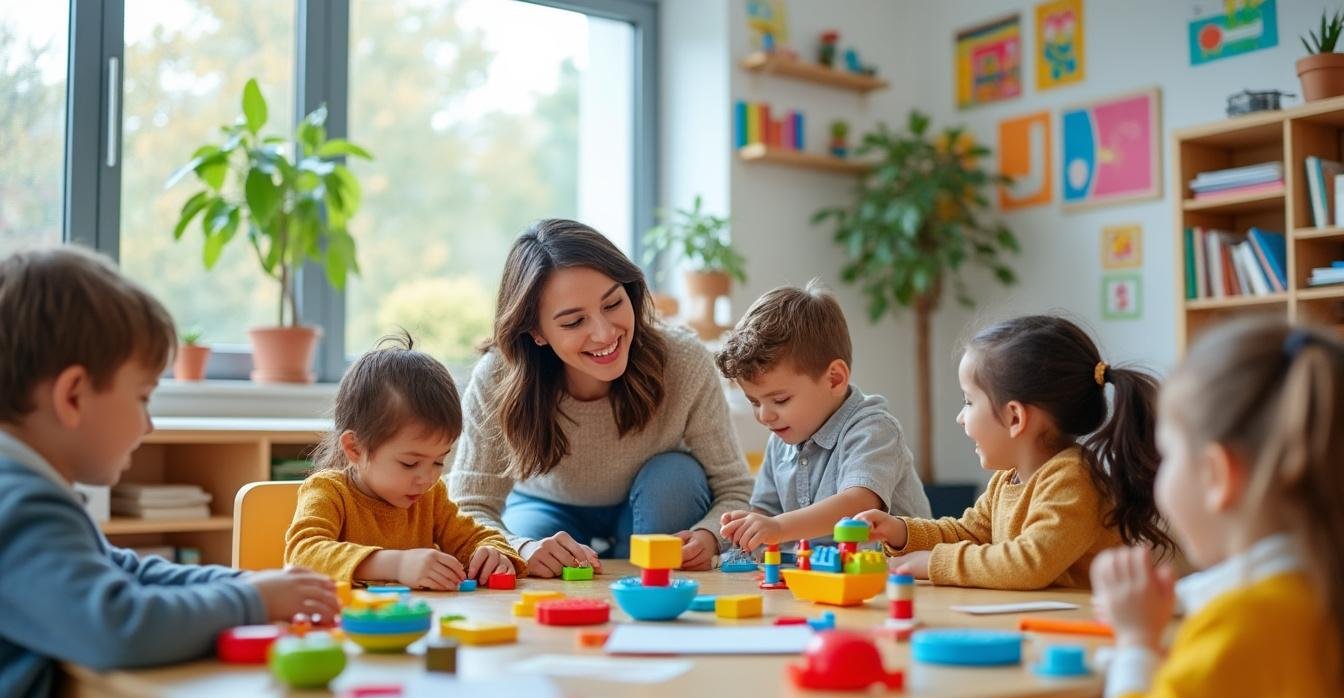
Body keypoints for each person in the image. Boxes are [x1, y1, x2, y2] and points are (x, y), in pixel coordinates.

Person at [0, 245, 339, 698]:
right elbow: (118, 626)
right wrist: (253, 602)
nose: (149, 424)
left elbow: (121, 568)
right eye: (143, 398)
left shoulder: (24, 488)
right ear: (72, 397)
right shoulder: (21, 503)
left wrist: (242, 584)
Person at [1092, 319, 1344, 698]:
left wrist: (1135, 641)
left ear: (1216, 476)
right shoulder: (1316, 595)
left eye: (1167, 455)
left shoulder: (1248, 619)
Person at [449, 219, 754, 576]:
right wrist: (522, 548)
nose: (605, 333)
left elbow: (735, 489)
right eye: (574, 322)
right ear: (536, 332)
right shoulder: (499, 375)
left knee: (676, 478)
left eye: (612, 304)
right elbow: (469, 506)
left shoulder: (684, 360)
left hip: (653, 505)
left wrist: (709, 535)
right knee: (525, 555)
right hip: (546, 508)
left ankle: (643, 583)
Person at [858, 315, 1170, 589]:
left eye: (968, 401)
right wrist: (900, 531)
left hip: (1080, 630)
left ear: (1015, 417)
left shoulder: (1073, 479)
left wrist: (933, 563)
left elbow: (1029, 563)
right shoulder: (1006, 481)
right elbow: (969, 533)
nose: (961, 416)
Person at [286, 332, 525, 589]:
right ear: (355, 448)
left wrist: (491, 553)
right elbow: (302, 555)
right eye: (410, 463)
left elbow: (476, 537)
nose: (427, 478)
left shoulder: (430, 497)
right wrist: (397, 565)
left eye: (438, 461)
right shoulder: (329, 491)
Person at [714, 279, 929, 551]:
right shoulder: (781, 440)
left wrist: (778, 527)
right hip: (823, 580)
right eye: (754, 402)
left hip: (897, 579)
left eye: (780, 400)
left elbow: (857, 502)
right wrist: (749, 526)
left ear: (835, 380)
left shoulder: (873, 428)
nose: (765, 416)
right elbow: (766, 511)